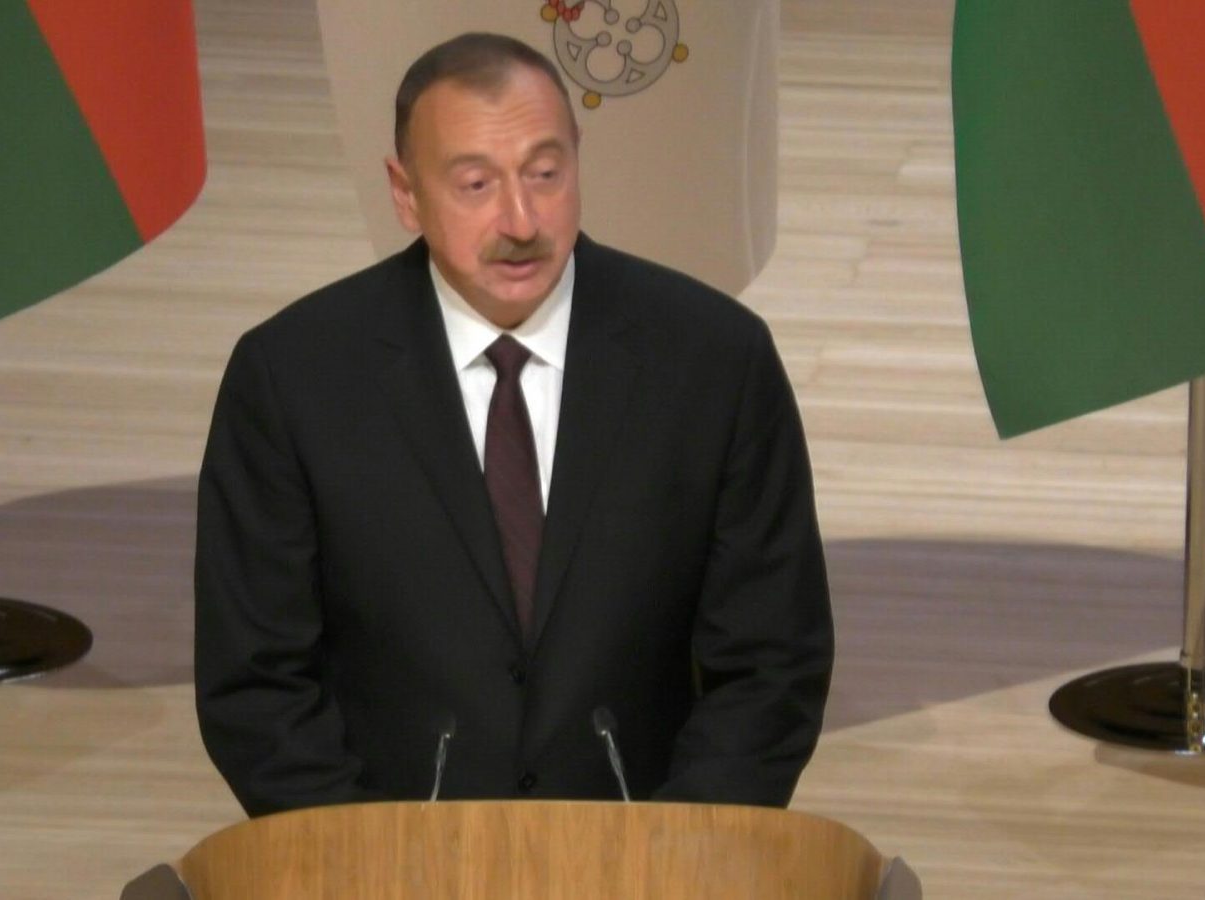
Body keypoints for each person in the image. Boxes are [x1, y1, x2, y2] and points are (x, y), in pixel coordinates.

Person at [195, 32, 832, 818]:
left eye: (544, 174)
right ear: (405, 193)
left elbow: (774, 662)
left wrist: (675, 854)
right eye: (475, 184)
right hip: (385, 858)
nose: (520, 220)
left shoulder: (714, 361)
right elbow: (255, 683)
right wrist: (367, 863)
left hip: (649, 854)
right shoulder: (293, 378)